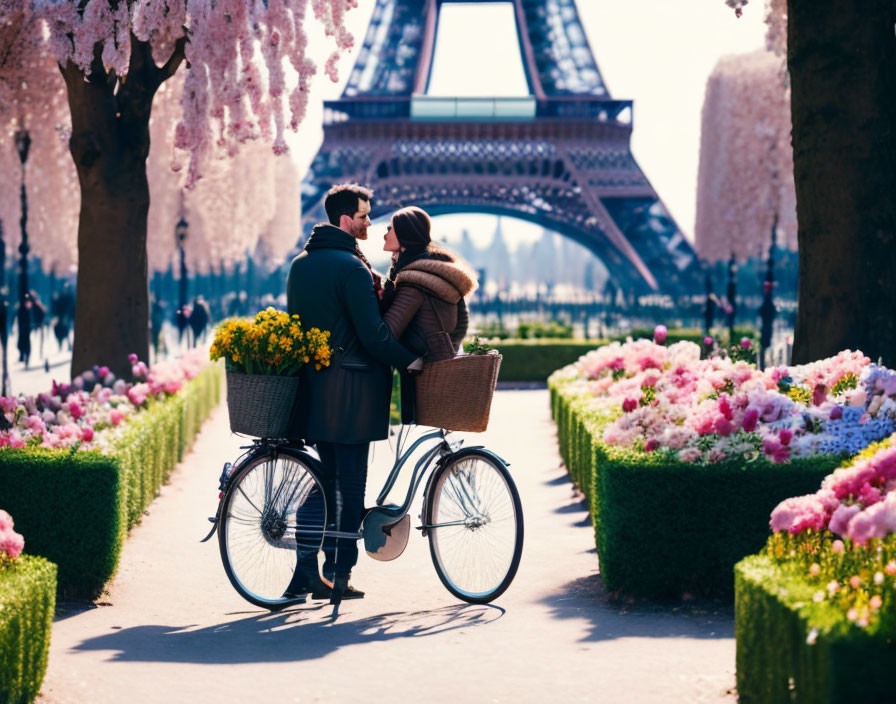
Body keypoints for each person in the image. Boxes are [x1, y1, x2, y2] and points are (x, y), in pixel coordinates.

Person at [284, 183, 422, 602]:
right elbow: (374, 335)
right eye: (364, 215)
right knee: (350, 483)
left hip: (312, 391)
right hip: (353, 394)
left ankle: (306, 570)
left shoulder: (300, 265)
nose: (368, 222)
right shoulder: (352, 268)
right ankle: (340, 572)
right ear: (345, 219)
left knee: (323, 480)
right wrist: (409, 361)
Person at [380, 206, 477, 423]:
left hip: (418, 375)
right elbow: (462, 322)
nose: (385, 233)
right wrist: (448, 349)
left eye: (390, 228)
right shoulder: (439, 274)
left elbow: (388, 331)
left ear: (404, 235)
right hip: (438, 367)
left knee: (416, 431)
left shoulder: (413, 282)